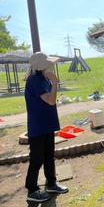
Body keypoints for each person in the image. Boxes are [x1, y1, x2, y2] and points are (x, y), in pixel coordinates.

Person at [25, 52, 68, 203]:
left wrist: (53, 83)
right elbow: (51, 101)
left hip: (47, 125)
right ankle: (32, 190)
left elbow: (52, 100)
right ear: (42, 66)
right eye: (49, 63)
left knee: (49, 155)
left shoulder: (45, 79)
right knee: (37, 158)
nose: (52, 65)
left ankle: (51, 183)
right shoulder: (34, 80)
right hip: (38, 127)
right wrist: (55, 83)